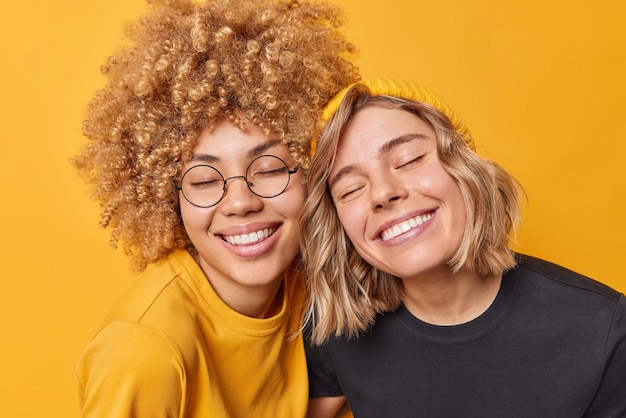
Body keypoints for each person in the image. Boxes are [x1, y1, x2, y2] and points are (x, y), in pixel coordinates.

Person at [73, 0, 358, 416]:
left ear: (312, 166)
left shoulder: (324, 284)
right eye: (205, 181)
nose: (241, 202)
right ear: (168, 199)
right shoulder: (142, 351)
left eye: (269, 167)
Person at [300, 79, 626, 417]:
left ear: (464, 169)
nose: (383, 193)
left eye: (410, 159)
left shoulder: (603, 328)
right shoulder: (335, 331)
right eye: (351, 188)